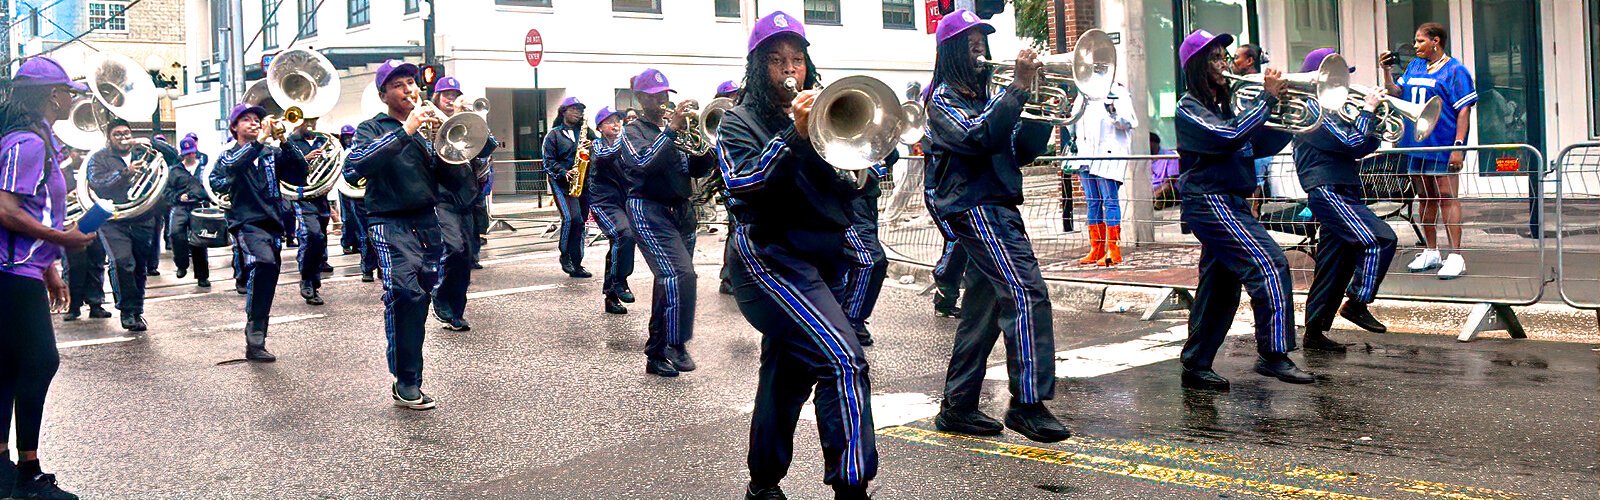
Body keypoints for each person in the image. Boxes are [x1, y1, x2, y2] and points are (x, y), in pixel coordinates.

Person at [720, 12, 877, 498]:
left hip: (820, 258)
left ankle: (762, 483)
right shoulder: (736, 122)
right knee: (844, 362)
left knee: (786, 374)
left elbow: (848, 189)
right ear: (756, 68)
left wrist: (858, 160)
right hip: (768, 259)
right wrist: (795, 136)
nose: (790, 71)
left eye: (797, 60)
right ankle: (852, 489)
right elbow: (743, 185)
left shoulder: (822, 114)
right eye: (776, 61)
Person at [924, 10, 1070, 443]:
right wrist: (1018, 89)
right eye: (970, 44)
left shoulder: (990, 97)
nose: (980, 50)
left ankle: (959, 405)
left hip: (999, 203)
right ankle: (1027, 403)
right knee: (1026, 291)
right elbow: (977, 138)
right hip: (975, 205)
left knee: (984, 309)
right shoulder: (942, 101)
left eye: (982, 43)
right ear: (950, 52)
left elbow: (1018, 148)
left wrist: (1043, 106)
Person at [1174, 29, 1312, 388]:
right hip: (1209, 199)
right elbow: (1229, 136)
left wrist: (1284, 110)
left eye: (1224, 56)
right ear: (1197, 66)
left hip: (1230, 199)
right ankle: (1274, 355)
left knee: (1220, 287)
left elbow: (1258, 140)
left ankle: (1196, 364)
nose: (1225, 64)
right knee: (1268, 264)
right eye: (1216, 58)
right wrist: (1265, 100)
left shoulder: (1228, 105)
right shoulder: (1188, 107)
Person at [0, 55, 100, 499]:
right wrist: (63, 238)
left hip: (22, 271)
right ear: (48, 96)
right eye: (66, 92)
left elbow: (34, 207)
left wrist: (50, 266)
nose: (70, 99)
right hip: (7, 273)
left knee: (9, 367)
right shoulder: (27, 143)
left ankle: (11, 471)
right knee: (39, 362)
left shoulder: (38, 140)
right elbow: (4, 209)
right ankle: (26, 474)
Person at [344, 59, 449, 410]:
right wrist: (405, 132)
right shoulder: (370, 128)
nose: (409, 89)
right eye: (399, 84)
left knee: (421, 297)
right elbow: (355, 167)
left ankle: (409, 372)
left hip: (428, 222)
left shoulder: (427, 130)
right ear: (383, 93)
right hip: (388, 221)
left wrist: (449, 128)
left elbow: (457, 176)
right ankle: (406, 380)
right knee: (405, 293)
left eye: (411, 82)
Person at [1293, 49, 1396, 352]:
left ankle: (1314, 334)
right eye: (1339, 76)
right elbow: (1351, 142)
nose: (1346, 82)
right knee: (1380, 238)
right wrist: (1367, 111)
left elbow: (1363, 143)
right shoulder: (1309, 109)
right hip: (1328, 189)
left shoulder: (1333, 110)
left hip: (1343, 188)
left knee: (1333, 265)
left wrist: (1372, 117)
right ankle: (1357, 302)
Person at [620, 68, 717, 377]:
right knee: (680, 276)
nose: (662, 100)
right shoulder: (632, 131)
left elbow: (695, 169)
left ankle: (657, 352)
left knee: (669, 284)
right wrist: (672, 131)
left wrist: (706, 145)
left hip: (680, 210)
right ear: (641, 98)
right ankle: (676, 343)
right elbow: (643, 163)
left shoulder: (673, 131)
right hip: (648, 208)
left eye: (665, 95)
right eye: (655, 96)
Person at [210, 103, 312, 362]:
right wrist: (259, 142)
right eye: (247, 120)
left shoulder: (270, 152)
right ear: (235, 127)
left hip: (273, 221)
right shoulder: (229, 154)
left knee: (268, 277)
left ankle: (256, 339)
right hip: (245, 221)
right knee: (263, 263)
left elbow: (301, 174)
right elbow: (230, 168)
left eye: (257, 119)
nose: (255, 123)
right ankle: (255, 335)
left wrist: (285, 142)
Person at [1383, 21, 1475, 280]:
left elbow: (1464, 111)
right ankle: (1431, 250)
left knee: (1447, 195)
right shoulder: (1414, 66)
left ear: (1436, 41)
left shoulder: (1456, 70)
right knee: (1425, 196)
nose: (1415, 46)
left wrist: (1458, 146)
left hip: (1443, 143)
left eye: (1420, 41)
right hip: (1416, 143)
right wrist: (1386, 71)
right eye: (1415, 41)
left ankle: (1456, 255)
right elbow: (1395, 93)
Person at [87, 118, 180, 332]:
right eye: (117, 134)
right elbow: (97, 183)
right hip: (113, 218)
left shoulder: (142, 151)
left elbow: (174, 157)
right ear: (109, 138)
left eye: (126, 133)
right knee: (122, 261)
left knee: (140, 266)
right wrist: (124, 173)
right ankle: (127, 311)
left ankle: (137, 309)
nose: (123, 137)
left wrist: (151, 141)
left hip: (142, 217)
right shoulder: (99, 158)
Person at [428, 76, 498, 332]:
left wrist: (473, 119)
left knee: (466, 255)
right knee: (454, 249)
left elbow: (487, 148)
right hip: (441, 197)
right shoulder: (428, 120)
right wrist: (446, 124)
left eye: (454, 94)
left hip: (466, 196)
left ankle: (456, 310)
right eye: (445, 94)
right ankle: (440, 295)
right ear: (436, 98)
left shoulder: (467, 122)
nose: (450, 99)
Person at [1071, 83, 1137, 267]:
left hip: (1107, 154)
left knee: (1109, 200)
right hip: (1085, 155)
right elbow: (1074, 124)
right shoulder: (1083, 93)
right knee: (1092, 201)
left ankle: (1113, 250)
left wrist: (1113, 111)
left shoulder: (1118, 92)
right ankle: (1096, 248)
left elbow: (1129, 122)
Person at [585, 106, 637, 315]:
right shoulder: (596, 145)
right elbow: (606, 155)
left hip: (623, 201)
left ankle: (612, 295)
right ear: (599, 128)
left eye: (618, 121)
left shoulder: (626, 145)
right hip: (602, 202)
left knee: (621, 241)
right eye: (610, 121)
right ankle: (618, 282)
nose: (616, 125)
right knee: (623, 234)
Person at [58, 147, 112, 322]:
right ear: (69, 151)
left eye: (84, 151)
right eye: (77, 151)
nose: (81, 154)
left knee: (96, 262)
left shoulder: (95, 168)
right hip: (70, 223)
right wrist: (67, 196)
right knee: (73, 267)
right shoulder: (59, 169)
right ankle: (73, 306)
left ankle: (96, 304)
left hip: (94, 219)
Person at [542, 97, 594, 278]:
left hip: (583, 182)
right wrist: (564, 172)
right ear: (563, 111)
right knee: (571, 218)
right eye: (573, 109)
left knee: (581, 222)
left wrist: (593, 145)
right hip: (561, 182)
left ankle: (577, 262)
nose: (577, 113)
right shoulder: (554, 134)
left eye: (580, 110)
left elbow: (601, 150)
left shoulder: (587, 132)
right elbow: (548, 161)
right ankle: (565, 255)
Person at [286, 118, 333, 306]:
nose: (312, 125)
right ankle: (307, 280)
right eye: (308, 121)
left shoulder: (323, 140)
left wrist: (327, 161)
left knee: (320, 238)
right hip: (303, 196)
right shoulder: (289, 142)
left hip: (321, 196)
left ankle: (314, 279)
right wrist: (304, 161)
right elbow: (284, 170)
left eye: (315, 120)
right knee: (311, 235)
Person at [164, 136, 212, 288]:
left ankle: (202, 276)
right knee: (175, 233)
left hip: (198, 206)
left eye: (191, 152)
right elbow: (167, 192)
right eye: (186, 153)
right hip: (180, 206)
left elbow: (210, 187)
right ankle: (181, 264)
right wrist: (178, 196)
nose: (189, 155)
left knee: (200, 241)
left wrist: (200, 196)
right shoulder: (174, 170)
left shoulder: (204, 168)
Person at [335, 124, 380, 283]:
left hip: (374, 195)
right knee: (365, 234)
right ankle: (367, 269)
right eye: (345, 136)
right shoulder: (347, 154)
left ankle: (381, 267)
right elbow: (349, 175)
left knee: (379, 233)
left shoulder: (373, 150)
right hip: (357, 197)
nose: (349, 139)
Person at [1150, 132, 1181, 209]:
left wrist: (1155, 192)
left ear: (1154, 143)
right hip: (1152, 189)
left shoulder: (1169, 156)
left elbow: (1171, 180)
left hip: (1168, 188)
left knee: (1166, 187)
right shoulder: (1147, 158)